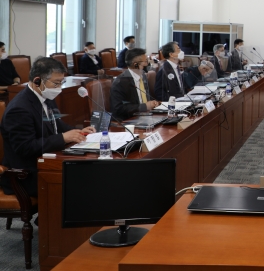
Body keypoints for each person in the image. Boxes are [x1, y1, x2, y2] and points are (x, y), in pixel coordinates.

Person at [0, 58, 94, 197]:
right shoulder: (19, 109)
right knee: (82, 183)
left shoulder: (45, 96)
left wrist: (76, 132)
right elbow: (25, 147)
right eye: (56, 83)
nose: (59, 88)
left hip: (46, 161)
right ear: (38, 81)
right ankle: (51, 218)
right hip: (27, 174)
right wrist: (62, 138)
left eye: (61, 83)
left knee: (88, 172)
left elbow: (56, 124)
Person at [110, 48, 160, 120]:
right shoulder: (120, 83)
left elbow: (145, 99)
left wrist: (152, 103)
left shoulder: (143, 76)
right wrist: (144, 106)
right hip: (129, 120)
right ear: (135, 64)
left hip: (146, 116)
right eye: (145, 61)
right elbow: (118, 109)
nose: (147, 64)